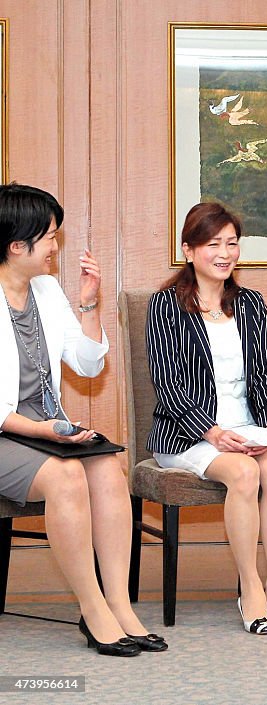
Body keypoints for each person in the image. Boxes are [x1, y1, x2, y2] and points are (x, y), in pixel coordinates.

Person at [0, 184, 163, 656]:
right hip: (11, 433)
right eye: (50, 236)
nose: (56, 246)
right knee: (68, 476)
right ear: (17, 245)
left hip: (48, 429)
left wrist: (89, 303)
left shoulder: (46, 291)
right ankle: (92, 610)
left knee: (108, 469)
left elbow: (88, 364)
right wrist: (45, 432)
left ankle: (119, 604)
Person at [146, 202, 267, 635]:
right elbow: (167, 384)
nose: (225, 252)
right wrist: (212, 433)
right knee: (243, 473)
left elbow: (265, 371)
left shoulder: (252, 304)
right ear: (189, 250)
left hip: (245, 422)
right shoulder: (166, 306)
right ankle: (249, 588)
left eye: (232, 243)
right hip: (187, 431)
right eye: (213, 243)